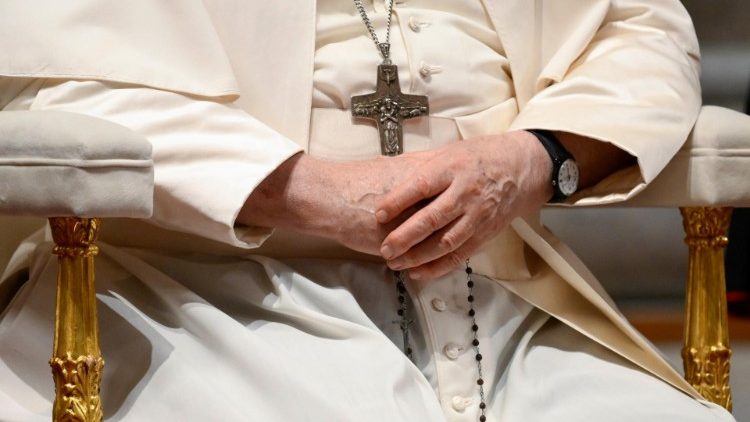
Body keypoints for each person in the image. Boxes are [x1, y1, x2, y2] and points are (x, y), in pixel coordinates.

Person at [0, 0, 736, 421]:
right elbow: (54, 89)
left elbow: (643, 32)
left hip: (504, 301)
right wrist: (306, 190)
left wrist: (535, 158)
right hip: (208, 297)